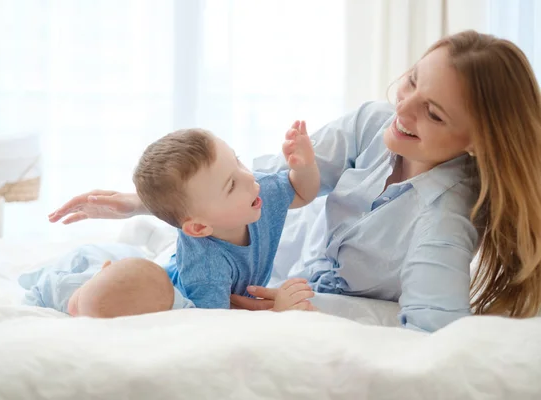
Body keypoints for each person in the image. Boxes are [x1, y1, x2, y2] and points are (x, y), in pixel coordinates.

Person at [48, 30, 541, 332]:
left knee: (146, 288)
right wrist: (150, 203)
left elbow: (436, 330)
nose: (402, 109)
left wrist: (278, 310)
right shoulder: (373, 125)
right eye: (411, 80)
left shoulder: (444, 219)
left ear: (477, 141)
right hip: (271, 252)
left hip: (288, 285)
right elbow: (258, 181)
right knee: (150, 267)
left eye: (431, 114)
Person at [131, 125, 318, 309]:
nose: (249, 177)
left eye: (237, 161)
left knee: (173, 250)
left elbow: (301, 193)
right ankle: (158, 242)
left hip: (197, 247)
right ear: (199, 228)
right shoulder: (205, 273)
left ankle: (158, 239)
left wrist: (305, 167)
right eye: (231, 185)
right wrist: (277, 311)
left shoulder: (256, 190)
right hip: (174, 288)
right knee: (143, 281)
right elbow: (220, 328)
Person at [18, 243, 195, 317]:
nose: (73, 311)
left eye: (84, 317)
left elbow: (187, 309)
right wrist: (30, 304)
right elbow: (38, 291)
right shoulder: (63, 286)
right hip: (90, 255)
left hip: (130, 259)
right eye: (78, 301)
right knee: (43, 273)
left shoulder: (164, 299)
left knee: (144, 265)